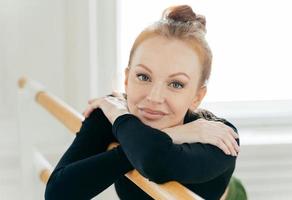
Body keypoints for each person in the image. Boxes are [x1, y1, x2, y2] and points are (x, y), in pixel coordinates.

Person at [45, 5, 243, 200]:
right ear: (126, 79)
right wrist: (171, 134)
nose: (154, 97)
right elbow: (58, 194)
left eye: (176, 84)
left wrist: (123, 128)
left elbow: (153, 161)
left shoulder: (218, 137)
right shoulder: (114, 111)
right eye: (143, 77)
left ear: (197, 97)